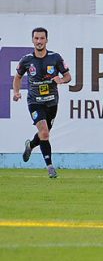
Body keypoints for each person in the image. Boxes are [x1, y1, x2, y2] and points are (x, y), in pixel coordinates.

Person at [12, 27, 72, 178]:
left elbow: (68, 76)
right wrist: (16, 92)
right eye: (36, 38)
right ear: (32, 40)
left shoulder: (55, 57)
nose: (39, 41)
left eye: (42, 38)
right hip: (35, 102)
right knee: (44, 133)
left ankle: (31, 145)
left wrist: (61, 80)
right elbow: (18, 77)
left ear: (46, 40)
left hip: (52, 102)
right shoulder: (26, 60)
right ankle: (50, 167)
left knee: (44, 133)